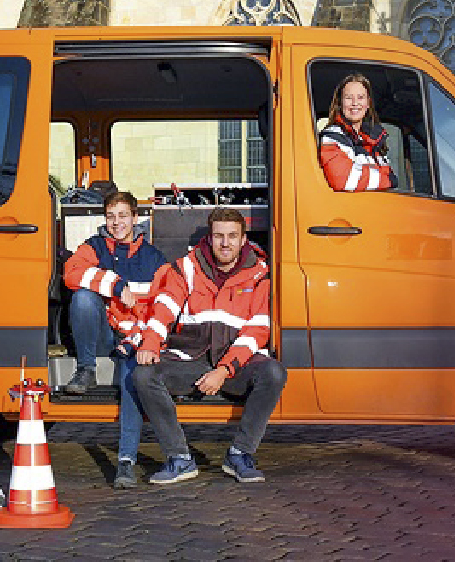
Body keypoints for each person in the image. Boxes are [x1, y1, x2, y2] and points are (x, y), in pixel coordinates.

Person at [134, 206, 287, 484]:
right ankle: (179, 458)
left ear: (243, 240)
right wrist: (150, 344)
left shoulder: (259, 274)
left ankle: (240, 454)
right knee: (143, 375)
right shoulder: (187, 268)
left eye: (232, 236)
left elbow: (258, 331)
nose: (225, 243)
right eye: (219, 236)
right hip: (192, 360)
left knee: (274, 373)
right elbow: (165, 307)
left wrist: (224, 370)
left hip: (235, 366)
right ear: (210, 237)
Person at [61, 189, 167, 489]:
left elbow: (163, 303)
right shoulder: (95, 246)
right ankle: (86, 369)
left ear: (136, 218)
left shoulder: (153, 258)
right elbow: (71, 272)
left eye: (123, 215)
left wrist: (138, 339)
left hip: (134, 338)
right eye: (110, 216)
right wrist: (114, 283)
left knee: (130, 383)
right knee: (82, 296)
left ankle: (125, 462)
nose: (116, 222)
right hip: (103, 335)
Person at [318, 72, 397, 192]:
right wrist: (388, 180)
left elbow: (388, 174)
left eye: (360, 97)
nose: (355, 103)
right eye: (348, 97)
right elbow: (345, 179)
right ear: (340, 103)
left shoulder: (375, 141)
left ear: (368, 103)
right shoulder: (331, 137)